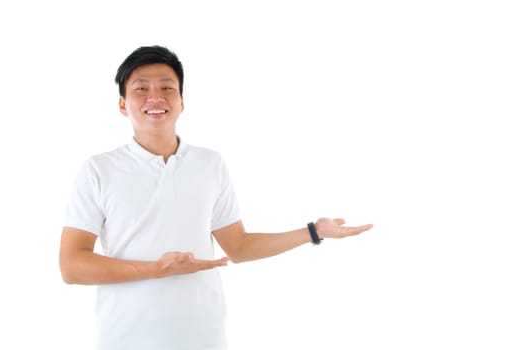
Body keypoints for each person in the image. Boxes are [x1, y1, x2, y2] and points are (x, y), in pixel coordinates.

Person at [59, 45, 374, 350]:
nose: (155, 97)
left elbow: (238, 246)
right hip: (127, 339)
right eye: (141, 89)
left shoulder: (210, 164)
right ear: (122, 105)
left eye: (167, 88)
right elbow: (71, 265)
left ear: (181, 101)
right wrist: (157, 269)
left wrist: (313, 232)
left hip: (203, 338)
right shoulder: (98, 170)